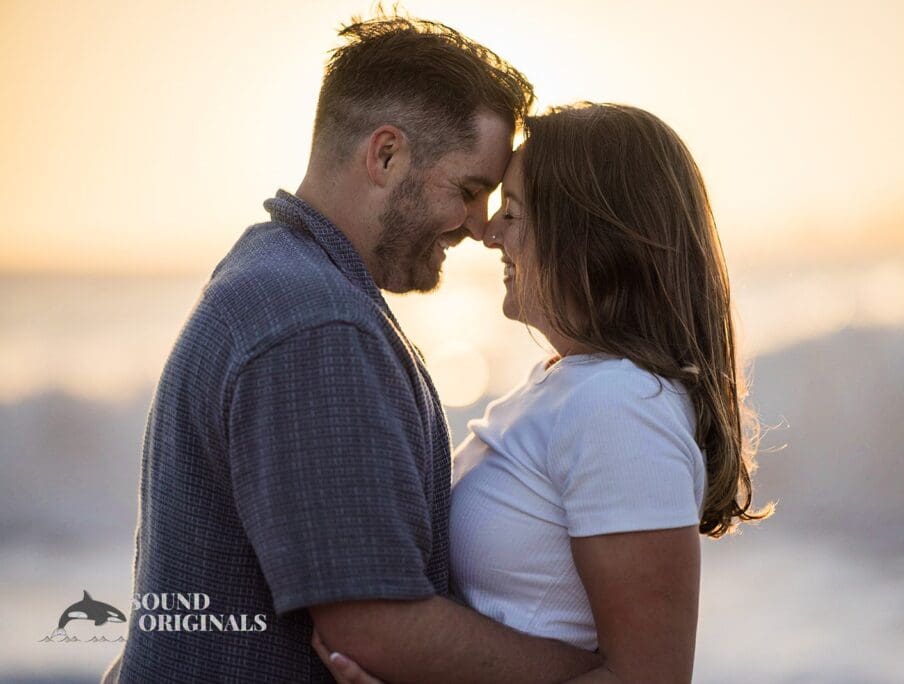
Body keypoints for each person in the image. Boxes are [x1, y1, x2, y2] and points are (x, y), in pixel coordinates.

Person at [104, 13, 606, 683]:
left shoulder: (271, 272)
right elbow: (374, 626)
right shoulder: (316, 326)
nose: (483, 228)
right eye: (469, 190)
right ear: (386, 155)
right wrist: (594, 671)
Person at [314, 103, 774, 683]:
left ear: (584, 232)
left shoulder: (620, 407)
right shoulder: (568, 383)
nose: (489, 233)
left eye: (513, 211)